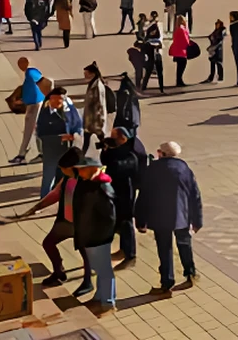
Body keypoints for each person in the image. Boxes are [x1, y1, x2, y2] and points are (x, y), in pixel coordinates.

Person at [13, 147, 91, 291]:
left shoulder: (87, 181)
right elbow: (56, 193)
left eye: (64, 168)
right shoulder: (67, 178)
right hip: (65, 221)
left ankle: (87, 282)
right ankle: (59, 272)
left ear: (73, 167)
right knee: (48, 243)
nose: (62, 171)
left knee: (85, 253)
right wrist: (37, 207)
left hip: (81, 225)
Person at [135, 141, 203, 295]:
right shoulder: (184, 169)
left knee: (164, 250)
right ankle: (190, 273)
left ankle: (167, 283)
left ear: (162, 153)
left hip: (160, 217)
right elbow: (195, 196)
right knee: (184, 244)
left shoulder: (152, 169)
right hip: (182, 216)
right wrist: (197, 220)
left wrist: (140, 220)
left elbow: (144, 196)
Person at [72, 155, 118, 316]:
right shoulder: (88, 183)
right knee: (99, 268)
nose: (79, 173)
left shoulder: (102, 187)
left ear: (90, 169)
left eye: (81, 170)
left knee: (104, 270)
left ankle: (108, 302)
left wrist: (99, 235)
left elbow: (109, 217)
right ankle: (100, 297)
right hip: (89, 235)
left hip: (98, 237)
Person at [100, 127, 148, 268]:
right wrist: (106, 150)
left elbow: (117, 166)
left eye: (114, 138)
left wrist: (111, 151)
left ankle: (130, 255)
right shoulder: (121, 147)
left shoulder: (131, 153)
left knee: (126, 223)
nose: (112, 140)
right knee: (120, 222)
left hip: (126, 193)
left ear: (122, 138)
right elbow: (106, 162)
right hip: (117, 191)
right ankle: (123, 250)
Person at [37, 87, 84, 197]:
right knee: (49, 176)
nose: (59, 102)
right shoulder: (45, 114)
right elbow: (41, 134)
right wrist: (60, 138)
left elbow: (77, 124)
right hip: (51, 150)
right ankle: (44, 198)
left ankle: (65, 196)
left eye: (61, 100)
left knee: (65, 176)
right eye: (56, 100)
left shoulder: (69, 110)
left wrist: (76, 134)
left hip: (68, 149)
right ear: (51, 99)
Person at [10, 57, 46, 165]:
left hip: (34, 104)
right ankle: (36, 153)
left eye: (21, 64)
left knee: (30, 130)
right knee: (35, 130)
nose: (20, 67)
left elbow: (33, 90)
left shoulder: (30, 74)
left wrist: (23, 101)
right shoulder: (33, 72)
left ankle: (23, 155)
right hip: (36, 103)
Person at [83, 62, 108, 155]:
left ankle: (106, 154)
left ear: (92, 74)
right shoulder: (92, 83)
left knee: (101, 140)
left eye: (86, 73)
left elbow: (100, 104)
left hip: (96, 119)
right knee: (87, 139)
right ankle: (82, 156)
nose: (85, 75)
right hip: (91, 119)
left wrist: (99, 119)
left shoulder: (97, 86)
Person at [141, 14, 165, 94]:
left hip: (154, 58)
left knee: (156, 74)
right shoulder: (151, 40)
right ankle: (144, 88)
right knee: (151, 74)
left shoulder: (152, 40)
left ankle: (160, 89)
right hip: (154, 58)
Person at [169, 16, 191, 87]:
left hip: (176, 50)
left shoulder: (176, 29)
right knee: (182, 66)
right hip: (182, 50)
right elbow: (186, 40)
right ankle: (179, 80)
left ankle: (179, 80)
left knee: (179, 66)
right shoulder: (182, 29)